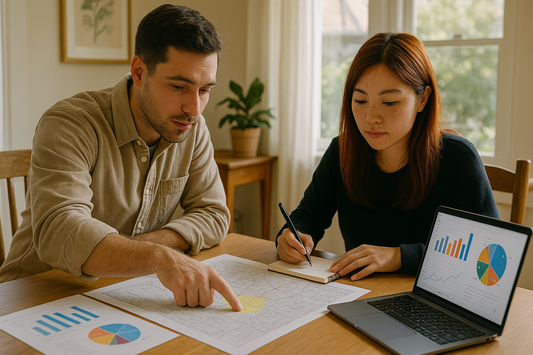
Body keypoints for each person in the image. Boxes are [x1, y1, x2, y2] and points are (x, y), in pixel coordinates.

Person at [0, 4, 243, 312]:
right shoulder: (69, 123)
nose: (194, 109)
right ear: (140, 71)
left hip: (119, 292)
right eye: (179, 86)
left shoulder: (192, 129)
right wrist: (157, 257)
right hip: (34, 297)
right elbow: (60, 229)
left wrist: (138, 251)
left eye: (205, 90)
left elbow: (214, 215)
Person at [276, 32, 499, 281]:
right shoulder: (343, 150)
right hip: (359, 296)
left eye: (390, 102)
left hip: (433, 302)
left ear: (422, 99)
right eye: (360, 100)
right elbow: (308, 216)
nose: (372, 117)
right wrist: (292, 236)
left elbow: (488, 252)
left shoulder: (457, 158)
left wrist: (398, 257)